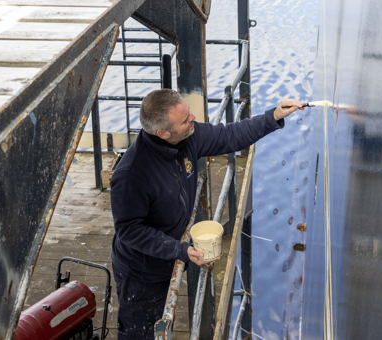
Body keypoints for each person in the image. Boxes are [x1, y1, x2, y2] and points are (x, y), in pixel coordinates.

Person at [110, 89, 303, 339]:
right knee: (141, 331)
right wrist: (179, 250)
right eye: (185, 119)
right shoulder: (131, 174)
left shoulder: (189, 135)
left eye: (188, 112)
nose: (193, 119)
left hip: (170, 253)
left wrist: (274, 116)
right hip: (142, 272)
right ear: (163, 133)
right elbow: (129, 230)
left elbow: (230, 135)